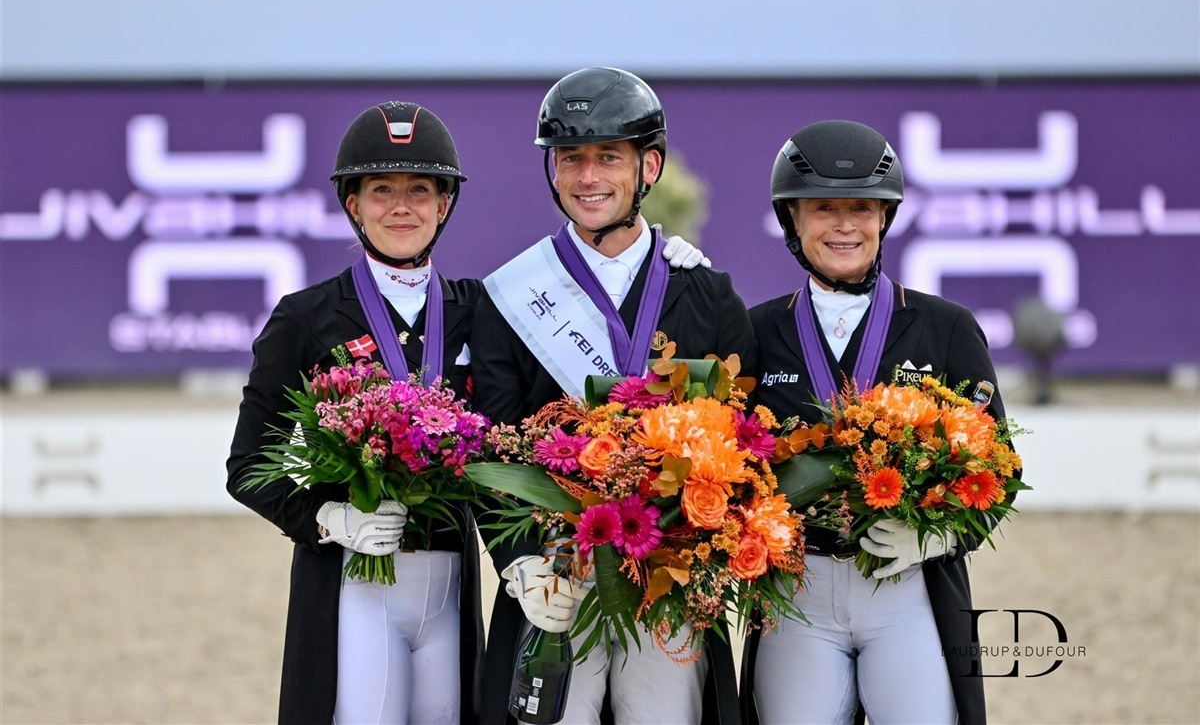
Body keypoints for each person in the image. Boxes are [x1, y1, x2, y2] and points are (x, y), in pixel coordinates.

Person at [225, 100, 710, 725]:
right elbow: (247, 466)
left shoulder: (482, 308)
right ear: (353, 205)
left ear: (444, 204)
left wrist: (665, 265)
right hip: (351, 579)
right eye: (381, 191)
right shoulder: (304, 317)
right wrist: (326, 518)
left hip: (452, 587)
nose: (402, 207)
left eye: (419, 190)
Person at [470, 67, 755, 725]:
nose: (587, 176)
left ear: (648, 166)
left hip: (669, 578)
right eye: (570, 158)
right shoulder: (508, 297)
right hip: (556, 576)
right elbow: (493, 446)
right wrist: (519, 564)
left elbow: (742, 437)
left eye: (608, 157)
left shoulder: (708, 296)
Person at [741, 120, 1010, 725]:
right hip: (797, 595)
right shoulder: (756, 332)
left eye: (861, 208)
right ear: (792, 219)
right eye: (823, 208)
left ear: (884, 217)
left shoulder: (946, 327)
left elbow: (1000, 470)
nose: (844, 225)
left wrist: (941, 537)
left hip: (906, 586)